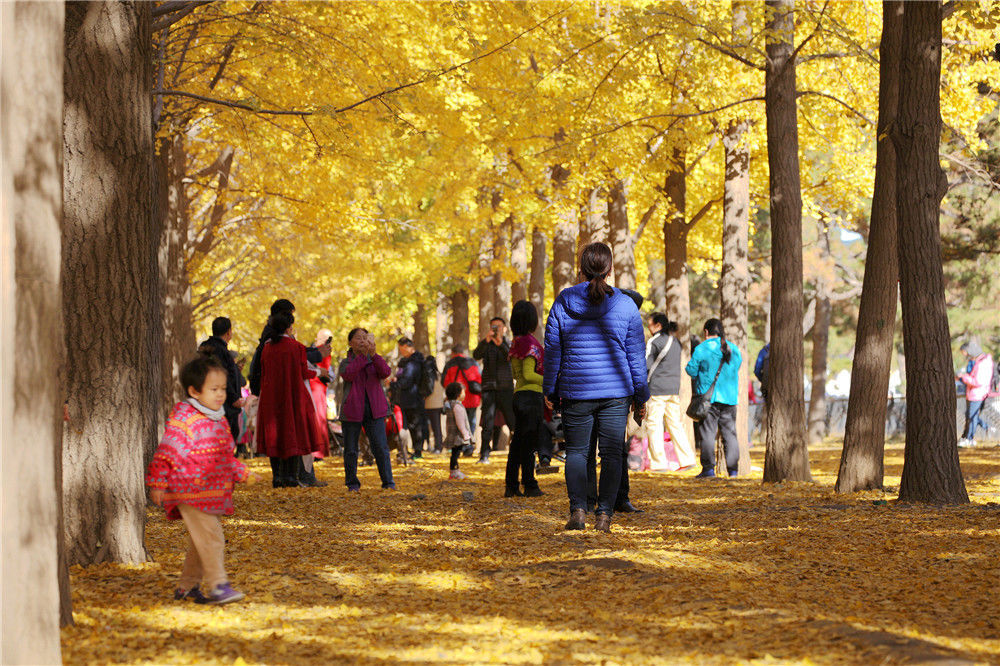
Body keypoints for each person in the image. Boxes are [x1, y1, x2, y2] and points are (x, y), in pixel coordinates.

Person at [543, 242, 649, 532]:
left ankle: (578, 511)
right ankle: (604, 516)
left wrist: (550, 389)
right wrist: (641, 396)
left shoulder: (564, 301)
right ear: (610, 269)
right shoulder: (625, 305)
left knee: (577, 453)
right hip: (617, 392)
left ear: (582, 268)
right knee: (612, 454)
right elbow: (636, 357)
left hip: (576, 390)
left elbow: (553, 350)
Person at [146, 354, 256, 605]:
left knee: (201, 541)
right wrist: (157, 482)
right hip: (188, 490)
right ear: (194, 391)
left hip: (209, 492)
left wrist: (242, 472)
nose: (220, 395)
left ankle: (187, 587)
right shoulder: (185, 419)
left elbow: (224, 456)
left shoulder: (218, 419)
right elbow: (167, 452)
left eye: (223, 389)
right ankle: (218, 585)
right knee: (212, 537)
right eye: (213, 389)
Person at [256, 311, 327, 487]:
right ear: (289, 328)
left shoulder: (267, 347)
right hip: (292, 395)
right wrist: (319, 372)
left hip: (271, 396)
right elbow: (303, 371)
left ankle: (277, 477)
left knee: (275, 434)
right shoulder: (296, 347)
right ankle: (291, 477)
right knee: (293, 432)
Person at [685, 318, 743, 478]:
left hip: (708, 399)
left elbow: (691, 370)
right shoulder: (733, 348)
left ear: (706, 332)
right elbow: (737, 366)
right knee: (730, 434)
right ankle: (733, 471)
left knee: (707, 434)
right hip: (730, 398)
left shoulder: (702, 348)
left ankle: (709, 470)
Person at [340, 328, 396, 490]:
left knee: (380, 447)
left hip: (375, 409)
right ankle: (352, 484)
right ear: (350, 343)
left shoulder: (374, 359)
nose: (362, 341)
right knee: (351, 449)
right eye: (358, 338)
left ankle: (388, 482)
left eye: (365, 338)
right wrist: (363, 357)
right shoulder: (346, 362)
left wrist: (373, 354)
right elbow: (349, 374)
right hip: (352, 410)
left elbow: (385, 372)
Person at [644, 313, 696, 471]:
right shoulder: (675, 342)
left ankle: (658, 463)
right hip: (673, 389)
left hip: (656, 389)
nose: (648, 328)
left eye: (650, 324)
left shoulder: (654, 341)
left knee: (654, 425)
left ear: (658, 325)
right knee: (675, 425)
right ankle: (687, 459)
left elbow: (646, 365)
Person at [507, 300, 545, 498]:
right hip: (531, 397)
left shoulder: (515, 342)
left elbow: (517, 374)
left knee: (517, 444)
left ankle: (511, 485)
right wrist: (550, 381)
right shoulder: (530, 343)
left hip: (518, 395)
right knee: (529, 444)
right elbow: (530, 375)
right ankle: (530, 484)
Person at [474, 317, 515, 464]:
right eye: (493, 326)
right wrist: (486, 341)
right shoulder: (486, 343)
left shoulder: (509, 343)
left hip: (505, 388)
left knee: (512, 421)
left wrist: (500, 343)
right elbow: (476, 355)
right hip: (489, 388)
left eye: (499, 326)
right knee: (487, 422)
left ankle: (519, 452)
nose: (496, 329)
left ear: (504, 328)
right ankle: (484, 454)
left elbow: (511, 357)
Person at [199, 316, 245, 442]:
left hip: (207, 402)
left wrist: (235, 370)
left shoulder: (207, 347)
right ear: (228, 332)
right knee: (225, 439)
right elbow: (221, 376)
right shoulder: (220, 350)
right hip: (224, 406)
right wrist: (234, 398)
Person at [442, 343, 482, 456]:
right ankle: (468, 447)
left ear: (453, 353)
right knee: (471, 423)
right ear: (463, 352)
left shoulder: (449, 364)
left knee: (456, 424)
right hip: (472, 398)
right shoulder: (473, 362)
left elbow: (444, 382)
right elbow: (479, 378)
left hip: (456, 399)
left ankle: (458, 447)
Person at [392, 338, 428, 459]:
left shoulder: (413, 363)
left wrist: (394, 384)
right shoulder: (406, 362)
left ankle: (418, 451)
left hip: (413, 398)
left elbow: (407, 381)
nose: (401, 351)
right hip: (407, 399)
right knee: (410, 425)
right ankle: (412, 450)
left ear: (408, 347)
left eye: (402, 349)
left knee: (415, 425)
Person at [957, 340, 994, 448]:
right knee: (970, 416)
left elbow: (978, 381)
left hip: (977, 394)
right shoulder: (981, 362)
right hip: (974, 393)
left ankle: (969, 438)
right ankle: (967, 437)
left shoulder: (983, 363)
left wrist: (963, 377)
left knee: (972, 417)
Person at [308, 328, 334, 458]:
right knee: (318, 418)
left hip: (316, 386)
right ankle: (318, 450)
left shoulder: (322, 351)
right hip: (315, 386)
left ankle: (318, 451)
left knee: (318, 418)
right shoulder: (318, 351)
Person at [443, 382, 474, 480]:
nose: (465, 394)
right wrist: (466, 434)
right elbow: (460, 422)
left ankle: (455, 471)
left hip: (452, 433)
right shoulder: (457, 406)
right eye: (463, 392)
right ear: (458, 394)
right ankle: (454, 471)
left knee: (455, 453)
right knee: (456, 454)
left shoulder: (449, 404)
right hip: (458, 435)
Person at [423, 356, 446, 454]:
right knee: (437, 426)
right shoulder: (439, 375)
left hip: (429, 403)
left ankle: (436, 446)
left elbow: (428, 389)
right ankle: (438, 446)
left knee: (432, 427)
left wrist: (423, 395)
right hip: (439, 403)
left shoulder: (427, 375)